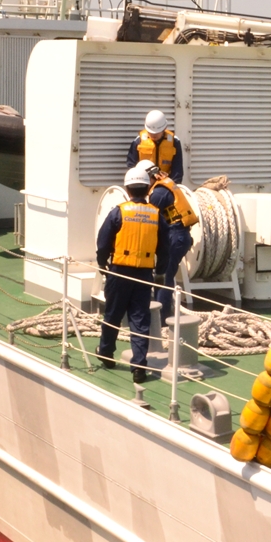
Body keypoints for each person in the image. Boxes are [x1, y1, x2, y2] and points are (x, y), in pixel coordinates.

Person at [96, 165, 169, 385]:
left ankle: (106, 353)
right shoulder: (156, 215)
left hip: (119, 273)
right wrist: (160, 273)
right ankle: (139, 367)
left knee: (113, 315)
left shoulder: (118, 212)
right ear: (148, 190)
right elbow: (164, 248)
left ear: (127, 189)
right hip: (144, 275)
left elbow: (103, 242)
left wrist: (102, 263)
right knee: (140, 320)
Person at [138, 159, 197, 322]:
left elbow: (150, 218)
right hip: (179, 236)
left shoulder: (158, 193)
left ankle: (161, 318)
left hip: (174, 236)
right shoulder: (166, 183)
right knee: (164, 275)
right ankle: (162, 312)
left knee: (164, 277)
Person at [126, 110, 184, 184]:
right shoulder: (138, 141)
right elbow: (131, 166)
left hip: (166, 183)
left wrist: (172, 185)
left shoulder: (174, 142)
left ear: (164, 128)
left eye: (157, 132)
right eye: (150, 132)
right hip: (144, 183)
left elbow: (177, 170)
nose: (153, 135)